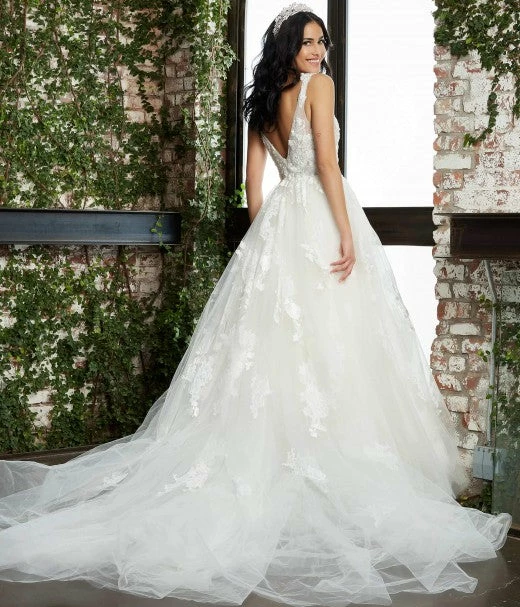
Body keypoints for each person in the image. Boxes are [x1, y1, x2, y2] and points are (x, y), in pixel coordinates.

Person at [0, 3, 513, 605]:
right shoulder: (320, 88)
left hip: (280, 223)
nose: (318, 52)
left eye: (322, 43)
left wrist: (269, 239)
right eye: (308, 42)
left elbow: (252, 187)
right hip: (321, 215)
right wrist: (346, 233)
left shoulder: (263, 103)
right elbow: (327, 166)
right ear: (289, 48)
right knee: (333, 345)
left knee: (275, 350)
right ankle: (327, 460)